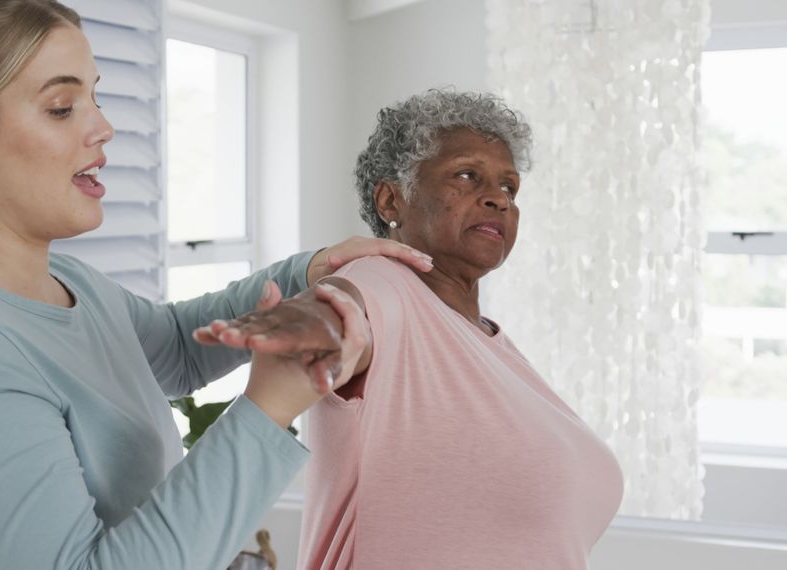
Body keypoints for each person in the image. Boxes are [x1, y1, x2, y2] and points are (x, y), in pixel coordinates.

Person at [0, 1, 434, 568]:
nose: (103, 127)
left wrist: (306, 273)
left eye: (95, 98)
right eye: (62, 107)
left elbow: (171, 345)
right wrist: (268, 407)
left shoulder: (62, 279)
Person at [205, 90, 624, 569]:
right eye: (467, 176)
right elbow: (344, 307)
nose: (498, 199)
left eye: (509, 187)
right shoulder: (385, 284)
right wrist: (309, 323)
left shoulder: (487, 341)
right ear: (391, 199)